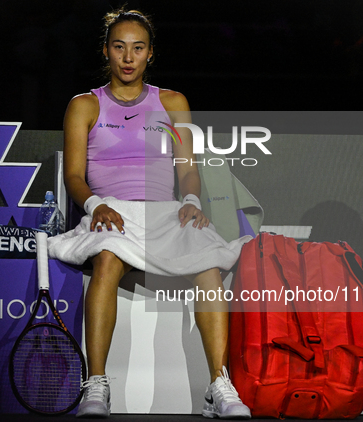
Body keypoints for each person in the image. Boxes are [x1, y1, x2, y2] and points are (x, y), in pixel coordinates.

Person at [48, 8, 252, 419]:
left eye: (137, 49)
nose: (128, 57)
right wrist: (95, 205)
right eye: (119, 47)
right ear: (106, 51)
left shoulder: (173, 102)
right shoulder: (84, 105)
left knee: (209, 265)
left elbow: (188, 170)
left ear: (150, 54)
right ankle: (97, 384)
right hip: (109, 213)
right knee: (107, 259)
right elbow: (73, 175)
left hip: (165, 214)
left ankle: (218, 384)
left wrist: (192, 202)